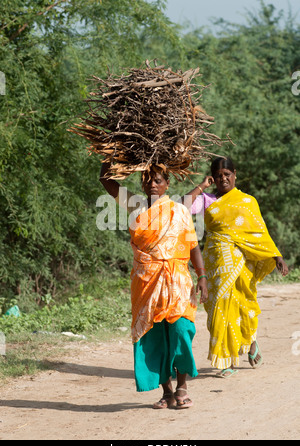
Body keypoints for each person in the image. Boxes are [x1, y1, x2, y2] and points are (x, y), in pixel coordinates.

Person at [100, 162, 208, 408]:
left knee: (181, 330)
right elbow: (106, 182)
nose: (152, 184)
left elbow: (192, 246)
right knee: (154, 335)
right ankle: (167, 391)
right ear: (142, 184)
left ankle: (182, 385)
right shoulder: (135, 205)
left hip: (177, 281)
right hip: (146, 282)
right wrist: (108, 155)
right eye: (148, 180)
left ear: (167, 184)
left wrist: (202, 276)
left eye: (158, 180)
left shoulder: (178, 210)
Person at [186, 157, 289, 378]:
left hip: (240, 264)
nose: (223, 178)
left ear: (235, 174)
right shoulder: (207, 199)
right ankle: (231, 354)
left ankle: (239, 351)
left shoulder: (247, 201)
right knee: (216, 309)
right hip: (214, 261)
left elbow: (259, 232)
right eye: (218, 175)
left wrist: (276, 255)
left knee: (241, 305)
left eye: (227, 174)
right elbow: (182, 207)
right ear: (213, 177)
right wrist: (202, 186)